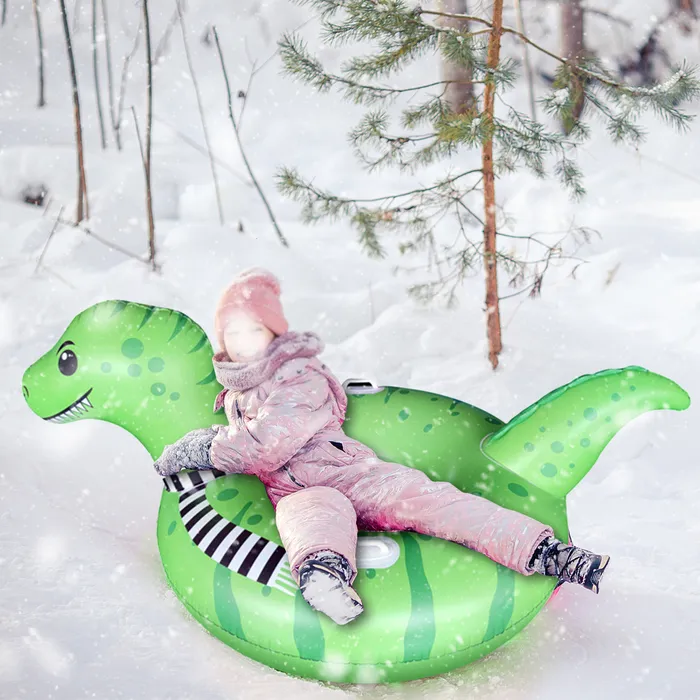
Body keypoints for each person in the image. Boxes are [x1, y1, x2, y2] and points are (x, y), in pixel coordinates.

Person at [154, 267, 610, 625]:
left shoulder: (300, 377)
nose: (241, 344)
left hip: (351, 473)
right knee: (310, 517)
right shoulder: (236, 391)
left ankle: (545, 552)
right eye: (232, 333)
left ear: (273, 334)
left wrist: (205, 448)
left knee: (434, 503)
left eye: (252, 331)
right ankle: (325, 578)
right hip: (300, 492)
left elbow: (266, 445)